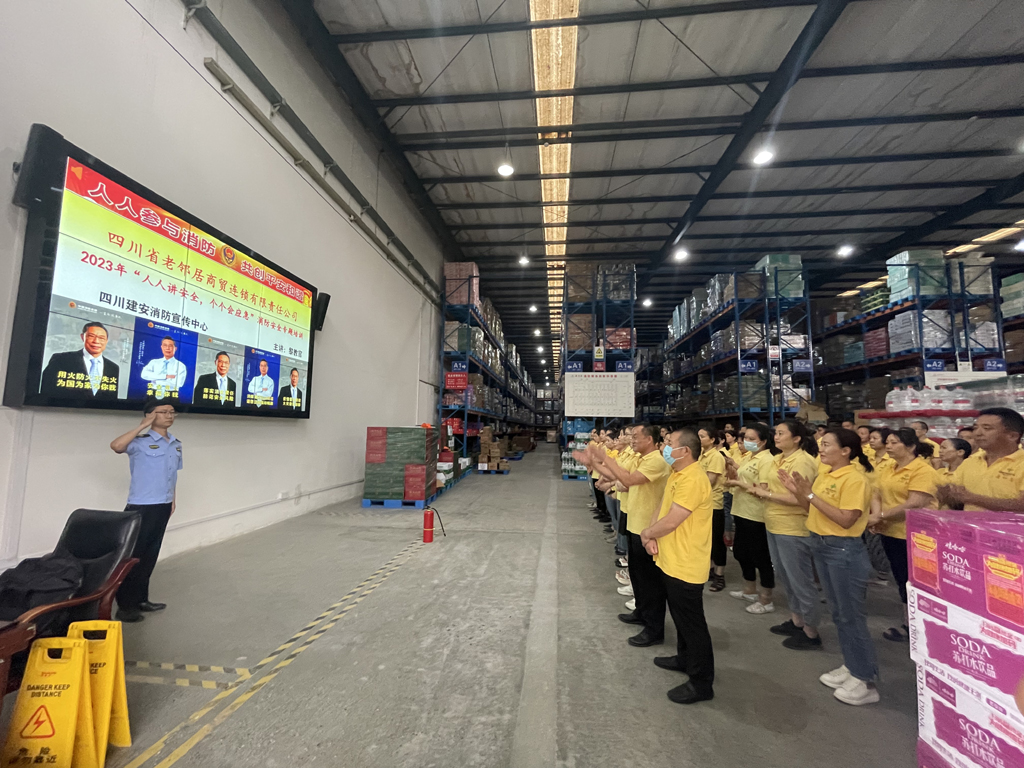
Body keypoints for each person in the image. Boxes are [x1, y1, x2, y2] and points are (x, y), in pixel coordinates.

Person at [779, 428, 880, 706]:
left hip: (843, 550)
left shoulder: (854, 479)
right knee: (838, 613)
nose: (821, 449)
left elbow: (846, 519)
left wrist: (810, 495)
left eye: (826, 445)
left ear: (846, 451)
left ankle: (866, 680)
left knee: (851, 616)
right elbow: (812, 508)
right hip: (822, 545)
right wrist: (800, 493)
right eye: (820, 445)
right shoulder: (826, 474)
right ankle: (852, 666)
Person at [642, 427, 715, 704]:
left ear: (684, 450)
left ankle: (701, 683)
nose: (664, 446)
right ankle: (684, 659)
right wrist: (650, 533)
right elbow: (662, 507)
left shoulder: (693, 479)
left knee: (692, 624)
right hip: (671, 559)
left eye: (669, 442)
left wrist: (647, 534)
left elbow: (674, 520)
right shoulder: (677, 473)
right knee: (681, 618)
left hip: (686, 563)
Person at [594, 424, 672, 645]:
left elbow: (628, 480)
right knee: (637, 574)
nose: (632, 440)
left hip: (647, 528)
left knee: (650, 580)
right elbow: (625, 481)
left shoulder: (656, 461)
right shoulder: (641, 458)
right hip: (635, 522)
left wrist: (604, 459)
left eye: (636, 436)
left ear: (650, 439)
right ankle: (641, 611)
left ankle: (654, 629)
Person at [748, 420, 822, 650]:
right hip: (774, 523)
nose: (776, 437)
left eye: (781, 433)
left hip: (793, 527)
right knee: (786, 577)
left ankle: (811, 631)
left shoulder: (803, 461)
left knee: (801, 581)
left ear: (797, 438)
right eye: (776, 433)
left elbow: (800, 499)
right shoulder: (778, 458)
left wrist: (766, 494)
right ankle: (797, 620)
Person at [110, 399, 183, 623]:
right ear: (150, 415)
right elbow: (116, 446)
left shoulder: (175, 444)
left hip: (163, 504)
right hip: (142, 505)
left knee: (150, 556)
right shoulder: (139, 442)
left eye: (172, 412)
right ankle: (125, 607)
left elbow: (172, 475)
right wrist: (142, 425)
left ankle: (141, 599)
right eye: (163, 412)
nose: (169, 416)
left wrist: (172, 500)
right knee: (134, 557)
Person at [869, 427, 938, 641]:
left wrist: (880, 516)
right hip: (891, 531)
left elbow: (915, 503)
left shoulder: (922, 470)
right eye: (888, 442)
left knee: (917, 582)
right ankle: (909, 624)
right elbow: (876, 493)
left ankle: (924, 628)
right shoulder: (889, 467)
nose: (888, 446)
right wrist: (878, 516)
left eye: (894, 442)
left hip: (916, 535)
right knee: (901, 579)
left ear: (911, 446)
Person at [724, 423, 776, 614]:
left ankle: (766, 598)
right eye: (746, 438)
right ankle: (749, 589)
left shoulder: (767, 460)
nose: (747, 442)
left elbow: (763, 489)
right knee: (741, 552)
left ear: (763, 441)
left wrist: (739, 483)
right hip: (741, 510)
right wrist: (733, 474)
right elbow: (743, 477)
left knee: (760, 556)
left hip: (756, 514)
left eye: (752, 439)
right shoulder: (749, 457)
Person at [937, 407, 1024, 512]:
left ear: (1012, 436)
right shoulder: (971, 462)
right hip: (970, 522)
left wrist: (974, 499)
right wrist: (944, 493)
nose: (977, 433)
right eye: (975, 428)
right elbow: (956, 500)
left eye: (987, 428)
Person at [40, 321, 121, 399]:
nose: (96, 341)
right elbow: (46, 392)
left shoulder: (113, 368)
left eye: (101, 338)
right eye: (91, 336)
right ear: (82, 337)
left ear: (106, 341)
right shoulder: (60, 359)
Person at [698, 428, 728, 592]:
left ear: (712, 439)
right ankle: (709, 569)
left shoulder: (715, 456)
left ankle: (720, 574)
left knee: (716, 541)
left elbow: (709, 480)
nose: (699, 439)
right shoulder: (701, 455)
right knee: (705, 539)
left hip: (714, 504)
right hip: (701, 503)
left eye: (702, 436)